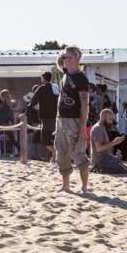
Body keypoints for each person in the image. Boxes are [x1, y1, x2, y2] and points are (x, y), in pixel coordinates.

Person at [54, 46, 90, 192]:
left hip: (74, 120)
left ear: (76, 59)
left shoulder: (81, 78)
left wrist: (83, 126)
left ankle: (84, 187)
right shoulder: (65, 73)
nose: (65, 60)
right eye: (64, 57)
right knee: (61, 153)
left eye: (69, 57)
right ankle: (66, 185)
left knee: (78, 153)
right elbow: (58, 61)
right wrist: (63, 53)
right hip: (61, 119)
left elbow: (85, 104)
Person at [30, 72, 59, 163]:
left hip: (46, 118)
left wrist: (29, 109)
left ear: (43, 78)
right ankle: (54, 158)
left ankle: (54, 155)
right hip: (56, 117)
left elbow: (34, 100)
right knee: (54, 138)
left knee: (45, 140)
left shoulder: (41, 88)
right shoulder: (55, 88)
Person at [90, 109, 127, 174]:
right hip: (100, 160)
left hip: (106, 157)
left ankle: (101, 168)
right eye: (110, 119)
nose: (112, 121)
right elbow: (99, 148)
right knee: (123, 171)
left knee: (125, 169)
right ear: (103, 118)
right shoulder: (98, 128)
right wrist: (114, 142)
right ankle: (98, 168)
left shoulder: (102, 127)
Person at [0, 89, 17, 155]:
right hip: (7, 124)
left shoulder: (2, 104)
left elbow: (1, 116)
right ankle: (17, 149)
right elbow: (10, 115)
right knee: (12, 138)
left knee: (11, 138)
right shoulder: (9, 104)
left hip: (2, 125)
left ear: (2, 96)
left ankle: (17, 149)